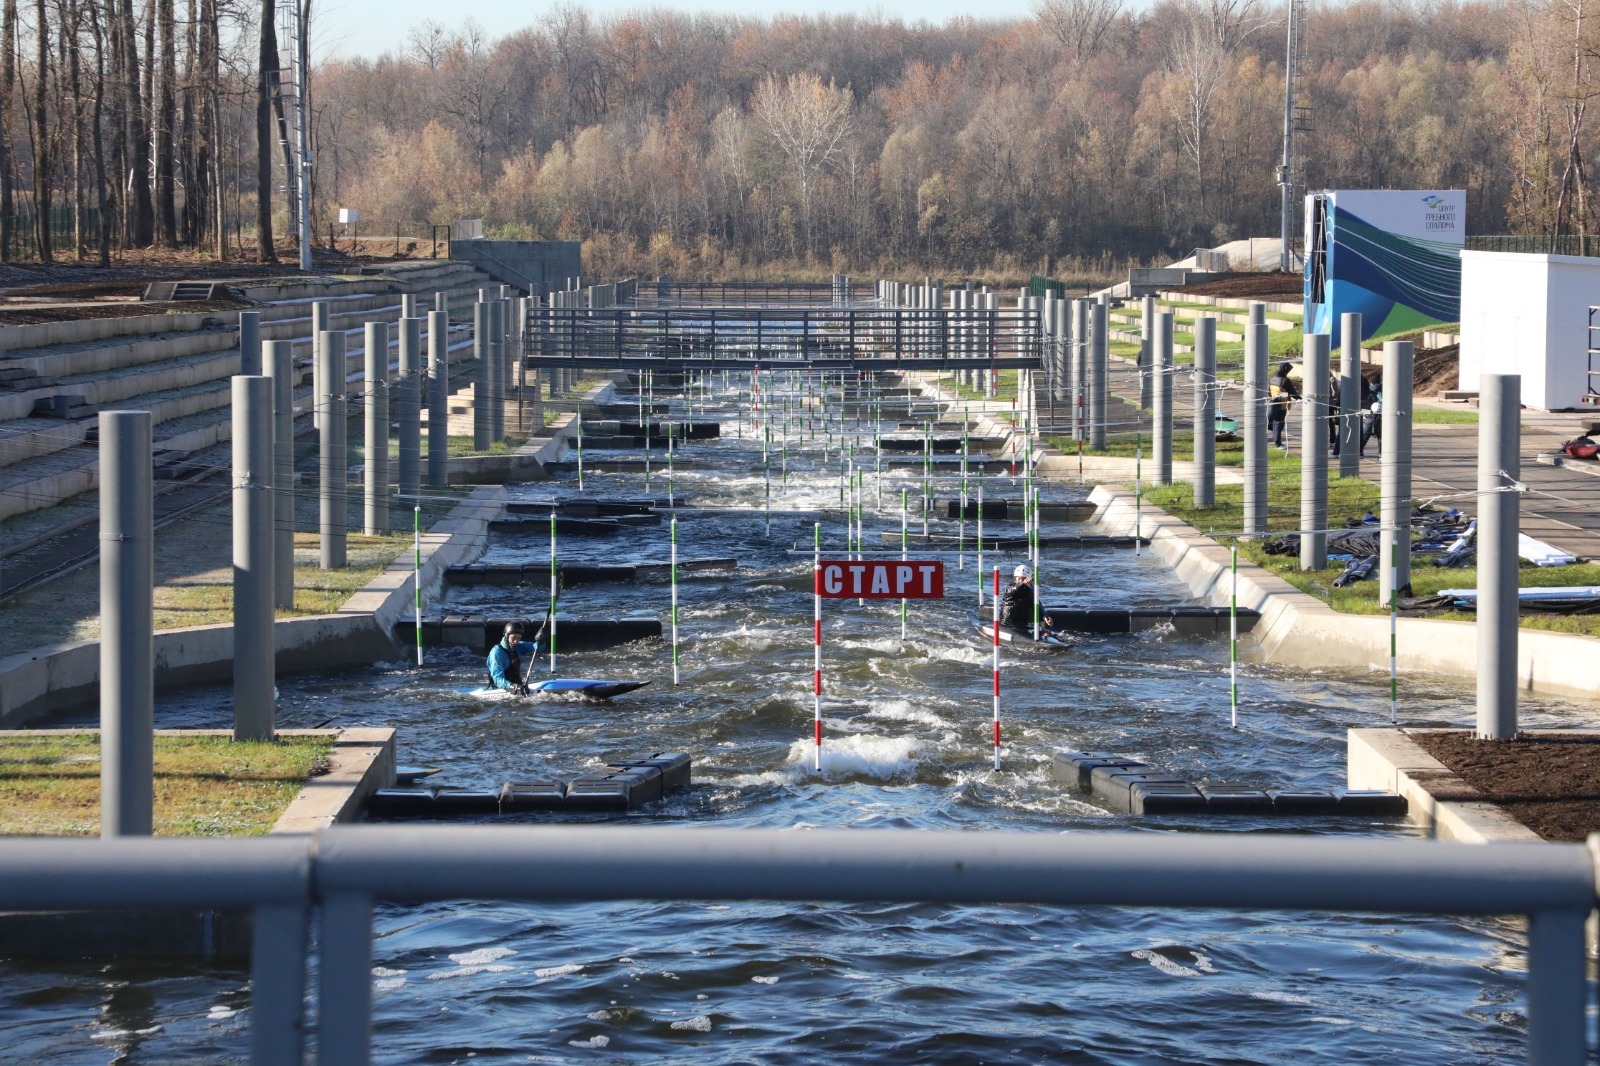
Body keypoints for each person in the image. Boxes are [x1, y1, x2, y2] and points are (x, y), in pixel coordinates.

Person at [487, 619, 542, 695]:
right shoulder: (496, 653)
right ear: (506, 636)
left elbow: (537, 647)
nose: (516, 641)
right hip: (500, 689)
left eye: (519, 638)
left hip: (517, 685)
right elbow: (497, 679)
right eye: (514, 638)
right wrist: (512, 687)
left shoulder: (518, 646)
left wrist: (541, 640)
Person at [999, 563, 1037, 632]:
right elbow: (1015, 589)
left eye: (1023, 579)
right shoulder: (1008, 588)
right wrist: (1023, 583)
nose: (1020, 581)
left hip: (1023, 624)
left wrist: (1044, 618)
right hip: (1007, 624)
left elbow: (1034, 607)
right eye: (1019, 578)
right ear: (1015, 578)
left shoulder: (1029, 591)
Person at [1267, 362, 1297, 448]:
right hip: (1282, 405)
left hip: (1272, 403)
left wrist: (1273, 396)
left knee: (1270, 421)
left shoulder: (1272, 378)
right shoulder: (1285, 380)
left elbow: (1268, 391)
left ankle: (1275, 440)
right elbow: (1292, 393)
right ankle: (1278, 443)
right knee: (1279, 424)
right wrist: (1301, 398)